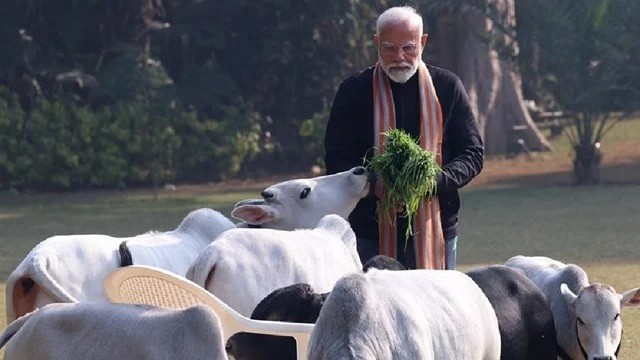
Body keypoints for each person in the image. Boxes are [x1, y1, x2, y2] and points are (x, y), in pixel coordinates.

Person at [324, 6, 483, 270]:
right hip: (368, 231)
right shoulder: (353, 91)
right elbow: (336, 156)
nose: (399, 57)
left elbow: (473, 153)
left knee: (436, 307)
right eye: (389, 48)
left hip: (437, 226)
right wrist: (374, 183)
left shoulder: (447, 86)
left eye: (408, 48)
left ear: (423, 42)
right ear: (376, 43)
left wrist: (434, 180)